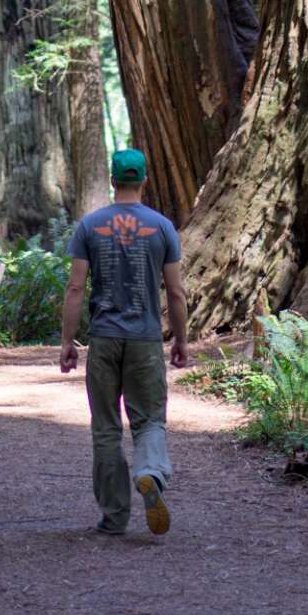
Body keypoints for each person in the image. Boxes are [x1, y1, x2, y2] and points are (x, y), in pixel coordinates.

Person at [59, 148, 190, 537]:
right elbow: (176, 291)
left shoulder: (90, 225)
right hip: (145, 340)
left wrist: (67, 341)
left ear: (113, 181)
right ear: (144, 180)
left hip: (103, 339)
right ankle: (149, 472)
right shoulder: (162, 227)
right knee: (149, 420)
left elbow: (75, 287)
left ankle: (114, 517)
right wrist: (181, 339)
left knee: (106, 428)